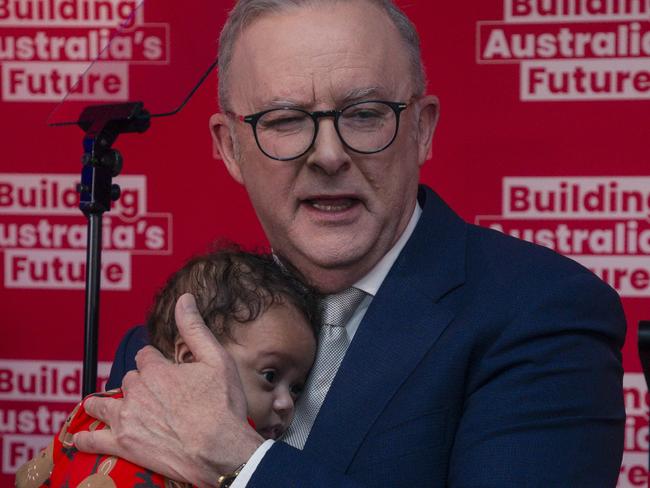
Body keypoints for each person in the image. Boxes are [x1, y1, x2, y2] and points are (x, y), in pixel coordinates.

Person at [73, 0, 627, 486]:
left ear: (423, 130)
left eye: (364, 114)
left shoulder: (540, 313)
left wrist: (242, 462)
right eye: (285, 119)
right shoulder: (163, 343)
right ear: (229, 148)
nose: (329, 155)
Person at [16, 246, 318, 487]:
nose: (286, 403)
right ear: (191, 357)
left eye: (295, 388)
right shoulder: (99, 414)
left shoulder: (93, 408)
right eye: (270, 376)